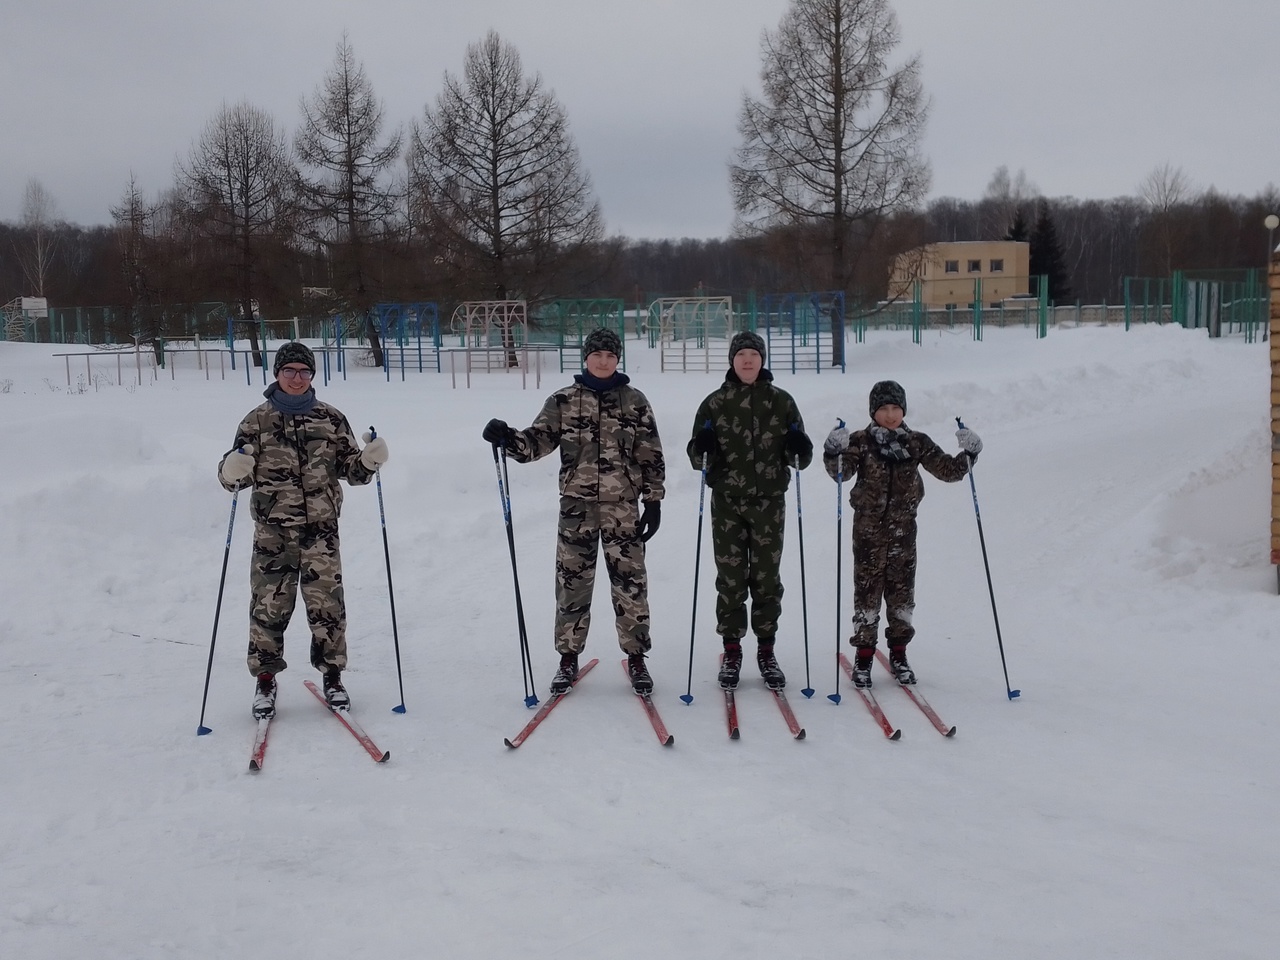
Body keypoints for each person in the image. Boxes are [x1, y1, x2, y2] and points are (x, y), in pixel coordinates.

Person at [482, 327, 665, 696]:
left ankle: (637, 657)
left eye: (610, 356)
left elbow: (650, 453)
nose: (603, 361)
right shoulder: (563, 401)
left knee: (630, 586)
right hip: (576, 508)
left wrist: (654, 500)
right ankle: (568, 657)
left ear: (617, 360)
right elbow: (537, 442)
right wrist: (509, 439)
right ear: (586, 357)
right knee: (572, 585)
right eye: (597, 355)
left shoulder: (635, 401)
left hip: (623, 510)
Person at [217, 342, 389, 719]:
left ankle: (332, 676)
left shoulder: (330, 419)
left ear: (312, 375)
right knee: (268, 608)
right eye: (290, 370)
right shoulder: (256, 422)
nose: (297, 378)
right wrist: (231, 469)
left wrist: (370, 460)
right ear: (277, 374)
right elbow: (231, 477)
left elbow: (351, 471)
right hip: (272, 534)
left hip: (321, 532)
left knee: (327, 606)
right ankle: (265, 678)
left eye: (304, 371)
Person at [822, 380, 982, 688]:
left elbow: (947, 470)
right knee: (867, 594)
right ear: (873, 411)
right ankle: (864, 657)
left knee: (901, 595)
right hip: (868, 531)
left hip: (904, 530)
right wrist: (833, 451)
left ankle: (899, 654)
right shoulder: (860, 440)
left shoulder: (916, 442)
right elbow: (841, 473)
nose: (891, 415)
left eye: (896, 408)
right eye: (884, 409)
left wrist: (970, 454)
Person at [686, 330, 813, 691]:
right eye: (741, 355)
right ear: (732, 360)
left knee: (767, 579)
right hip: (727, 502)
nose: (747, 361)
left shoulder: (782, 402)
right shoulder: (714, 403)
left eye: (753, 355)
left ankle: (767, 649)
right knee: (730, 579)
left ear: (762, 360)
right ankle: (732, 648)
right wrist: (702, 446)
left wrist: (799, 446)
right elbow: (697, 458)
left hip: (769, 504)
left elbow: (800, 458)